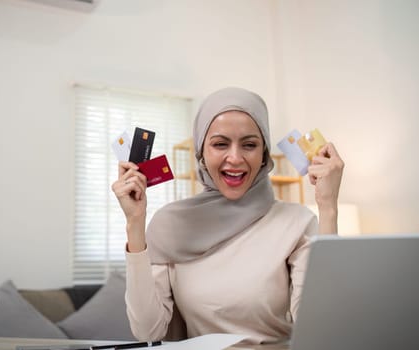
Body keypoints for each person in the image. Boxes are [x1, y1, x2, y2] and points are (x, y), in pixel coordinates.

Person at [111, 87, 344, 345]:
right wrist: (134, 223)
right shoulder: (169, 225)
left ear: (264, 154)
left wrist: (328, 206)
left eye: (249, 145)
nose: (235, 158)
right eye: (220, 144)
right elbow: (147, 332)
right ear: (201, 153)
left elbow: (321, 326)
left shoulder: (297, 222)